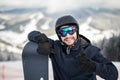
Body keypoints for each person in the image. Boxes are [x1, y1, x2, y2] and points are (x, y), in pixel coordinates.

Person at [28, 15, 118, 80]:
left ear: (77, 31)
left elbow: (113, 74)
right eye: (63, 32)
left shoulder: (90, 50)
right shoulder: (55, 48)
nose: (67, 35)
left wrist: (94, 66)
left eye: (71, 31)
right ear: (59, 35)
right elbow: (31, 34)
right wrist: (42, 40)